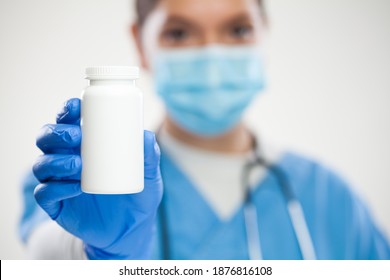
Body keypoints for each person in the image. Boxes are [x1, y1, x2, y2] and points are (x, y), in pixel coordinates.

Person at [20, 0, 390, 260]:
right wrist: (88, 253)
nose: (213, 57)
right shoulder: (83, 177)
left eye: (238, 29)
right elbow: (42, 250)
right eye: (179, 33)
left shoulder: (329, 198)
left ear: (264, 35)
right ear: (140, 43)